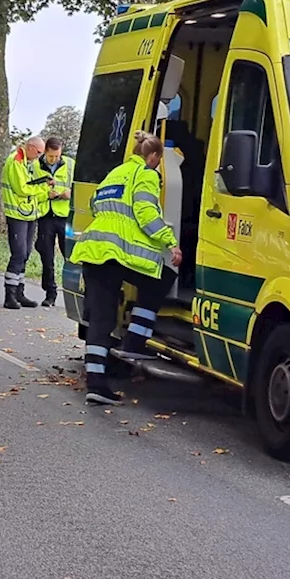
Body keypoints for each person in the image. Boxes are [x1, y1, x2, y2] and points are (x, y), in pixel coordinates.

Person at [70, 131, 181, 406]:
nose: (158, 166)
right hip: (116, 253)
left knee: (101, 319)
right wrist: (171, 243)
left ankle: (96, 383)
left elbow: (95, 204)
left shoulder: (116, 172)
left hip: (93, 249)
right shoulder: (146, 173)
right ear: (153, 156)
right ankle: (135, 341)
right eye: (158, 161)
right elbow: (146, 213)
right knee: (163, 277)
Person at [1, 136, 51, 309]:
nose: (39, 156)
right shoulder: (16, 161)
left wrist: (45, 180)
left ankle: (20, 292)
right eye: (38, 152)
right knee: (19, 253)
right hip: (17, 214)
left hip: (29, 214)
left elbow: (35, 179)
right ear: (29, 147)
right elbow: (22, 189)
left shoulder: (30, 162)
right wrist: (43, 190)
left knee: (26, 253)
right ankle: (10, 295)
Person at [31, 137, 75, 307]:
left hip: (65, 217)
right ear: (45, 153)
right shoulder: (35, 166)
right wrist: (45, 195)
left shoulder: (70, 164)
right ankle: (50, 293)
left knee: (70, 256)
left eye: (57, 156)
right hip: (46, 216)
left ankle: (72, 294)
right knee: (47, 256)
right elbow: (31, 189)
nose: (55, 159)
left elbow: (78, 184)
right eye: (51, 156)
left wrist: (70, 193)